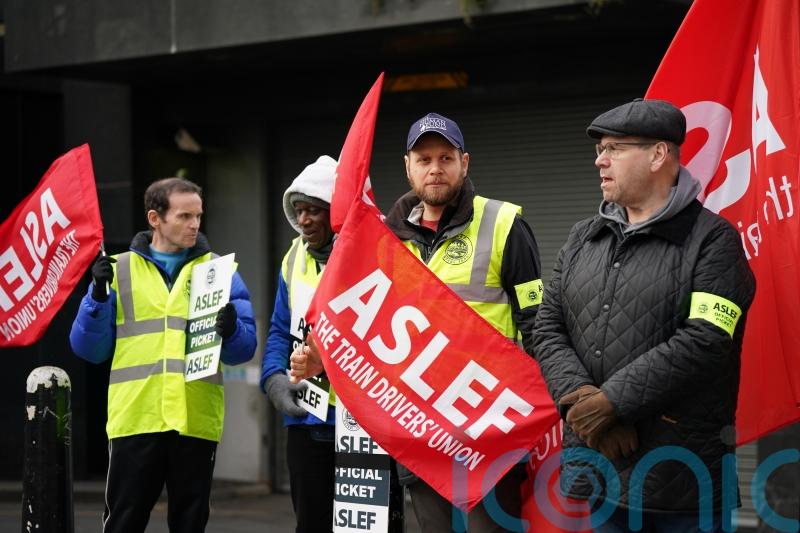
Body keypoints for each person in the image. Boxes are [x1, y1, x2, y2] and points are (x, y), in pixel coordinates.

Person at [290, 112, 544, 532]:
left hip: (489, 428)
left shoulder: (504, 225)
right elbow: (366, 332)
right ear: (407, 166)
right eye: (424, 159)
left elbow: (537, 326)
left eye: (446, 158)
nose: (435, 169)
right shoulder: (384, 239)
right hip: (421, 429)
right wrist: (323, 360)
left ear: (465, 162)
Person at [531, 99, 756, 532]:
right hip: (598, 462)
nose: (600, 160)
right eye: (600, 149)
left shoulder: (715, 241)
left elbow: (707, 338)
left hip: (681, 481)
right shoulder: (583, 237)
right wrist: (584, 406)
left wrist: (613, 404)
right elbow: (547, 327)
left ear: (658, 155)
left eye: (614, 148)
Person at [69, 177, 257, 533]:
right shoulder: (116, 270)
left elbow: (243, 351)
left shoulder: (219, 271)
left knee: (190, 525)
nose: (195, 224)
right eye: (184, 216)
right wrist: (96, 295)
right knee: (124, 523)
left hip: (195, 420)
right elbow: (88, 350)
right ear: (155, 219)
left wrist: (232, 330)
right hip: (136, 418)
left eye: (198, 216)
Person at [260, 155, 338, 533]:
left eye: (315, 211)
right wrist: (274, 379)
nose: (304, 220)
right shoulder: (294, 256)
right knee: (310, 526)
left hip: (363, 424)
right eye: (299, 210)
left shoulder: (370, 254)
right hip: (306, 419)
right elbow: (278, 329)